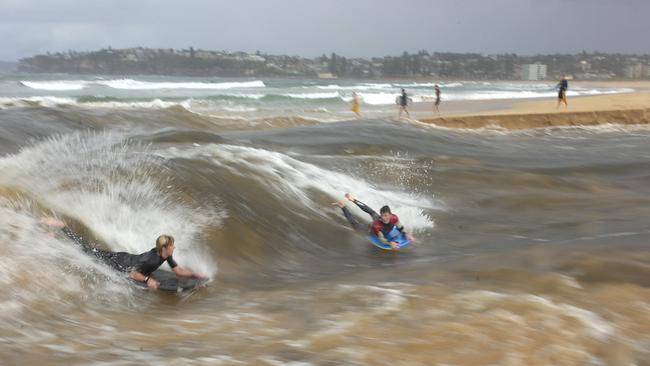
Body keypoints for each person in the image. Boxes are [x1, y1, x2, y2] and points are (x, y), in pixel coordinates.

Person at [41, 217, 205, 289]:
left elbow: (178, 271)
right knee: (85, 251)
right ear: (164, 248)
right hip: (118, 263)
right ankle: (61, 229)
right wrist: (148, 280)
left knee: (87, 249)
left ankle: (58, 235)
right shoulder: (151, 259)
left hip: (124, 257)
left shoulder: (166, 255)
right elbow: (133, 274)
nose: (174, 248)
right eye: (172, 246)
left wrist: (194, 275)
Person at [332, 193, 415, 250]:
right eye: (382, 215)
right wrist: (390, 244)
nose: (383, 217)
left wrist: (406, 234)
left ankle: (352, 199)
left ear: (390, 214)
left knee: (372, 212)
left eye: (386, 215)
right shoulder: (377, 225)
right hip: (371, 228)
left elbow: (400, 228)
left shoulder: (394, 218)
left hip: (381, 225)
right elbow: (382, 240)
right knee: (355, 225)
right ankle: (342, 206)